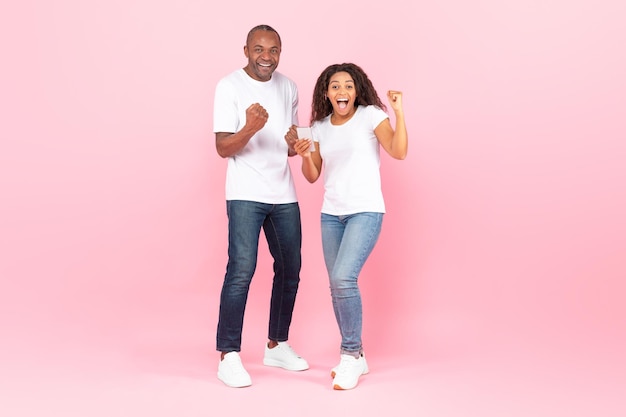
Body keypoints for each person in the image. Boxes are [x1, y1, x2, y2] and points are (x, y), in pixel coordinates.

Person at [289, 62, 408, 390]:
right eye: (335, 86)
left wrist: (398, 112)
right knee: (336, 284)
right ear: (326, 92)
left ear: (357, 91)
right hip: (332, 214)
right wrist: (304, 154)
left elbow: (399, 152)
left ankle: (350, 355)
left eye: (348, 86)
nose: (342, 91)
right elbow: (313, 176)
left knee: (344, 278)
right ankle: (358, 356)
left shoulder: (372, 116)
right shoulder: (319, 127)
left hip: (365, 211)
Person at [212, 24, 309, 388]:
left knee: (291, 267)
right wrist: (250, 127)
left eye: (273, 50)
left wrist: (294, 144)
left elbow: (287, 143)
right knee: (242, 269)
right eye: (259, 49)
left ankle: (277, 344)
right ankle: (228, 354)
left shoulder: (289, 87)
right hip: (245, 193)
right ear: (246, 50)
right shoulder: (229, 86)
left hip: (283, 192)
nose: (266, 57)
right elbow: (223, 147)